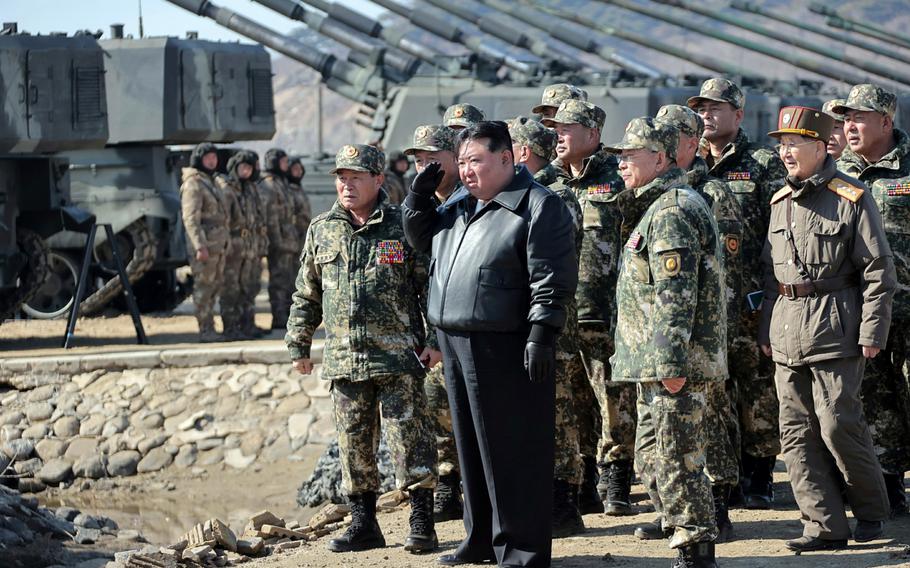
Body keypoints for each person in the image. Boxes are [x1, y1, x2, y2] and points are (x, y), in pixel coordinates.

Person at [403, 121, 577, 567]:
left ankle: (521, 550)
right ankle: (481, 536)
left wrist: (542, 335)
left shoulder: (539, 206)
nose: (465, 171)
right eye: (460, 163)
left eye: (475, 160)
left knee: (511, 449)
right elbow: (422, 240)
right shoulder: (461, 202)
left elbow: (552, 280)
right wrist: (418, 197)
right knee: (473, 449)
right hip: (455, 339)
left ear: (507, 157)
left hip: (505, 344)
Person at [286, 144, 439, 554]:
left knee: (411, 441)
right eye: (341, 177)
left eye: (356, 178)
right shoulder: (322, 228)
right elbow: (307, 293)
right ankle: (364, 524)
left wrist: (435, 341)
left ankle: (422, 520)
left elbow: (429, 287)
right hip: (344, 359)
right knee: (354, 446)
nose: (346, 185)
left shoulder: (401, 225)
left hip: (398, 358)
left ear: (378, 181)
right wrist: (299, 341)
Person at [758, 105, 895, 551]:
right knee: (795, 432)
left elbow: (878, 270)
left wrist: (873, 332)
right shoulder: (779, 202)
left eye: (794, 143)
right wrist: (766, 331)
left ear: (819, 146)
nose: (786, 153)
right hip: (786, 331)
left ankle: (872, 510)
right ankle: (823, 525)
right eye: (781, 145)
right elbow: (769, 276)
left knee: (838, 424)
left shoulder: (851, 197)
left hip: (836, 327)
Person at [607, 117, 724, 568]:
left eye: (629, 155)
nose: (620, 164)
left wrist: (671, 362)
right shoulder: (654, 207)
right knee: (653, 456)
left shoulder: (672, 210)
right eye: (618, 156)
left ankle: (696, 549)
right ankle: (683, 532)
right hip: (651, 363)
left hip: (672, 365)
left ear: (659, 158)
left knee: (678, 457)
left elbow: (676, 296)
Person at [688, 78, 786, 509]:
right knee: (713, 390)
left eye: (716, 108)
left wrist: (771, 295)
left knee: (757, 387)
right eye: (702, 108)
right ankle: (721, 477)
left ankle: (760, 474)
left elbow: (779, 235)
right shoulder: (689, 165)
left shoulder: (763, 163)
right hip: (704, 305)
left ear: (738, 114)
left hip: (748, 300)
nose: (707, 115)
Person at [654, 104, 744, 542]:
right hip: (664, 332)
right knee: (665, 429)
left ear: (690, 144)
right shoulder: (658, 193)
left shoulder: (711, 193)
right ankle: (673, 506)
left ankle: (717, 506)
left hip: (703, 331)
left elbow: (725, 269)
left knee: (709, 421)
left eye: (671, 139)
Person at [543, 100, 629, 517]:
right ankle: (580, 482)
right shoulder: (547, 184)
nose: (557, 134)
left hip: (607, 313)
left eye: (566, 127)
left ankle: (617, 479)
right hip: (562, 314)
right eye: (554, 128)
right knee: (569, 403)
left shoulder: (618, 179)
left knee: (612, 400)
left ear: (593, 134)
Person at [833, 84, 910, 516]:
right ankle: (889, 486)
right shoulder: (836, 173)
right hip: (861, 313)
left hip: (909, 309)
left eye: (860, 117)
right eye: (847, 118)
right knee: (874, 401)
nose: (850, 126)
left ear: (886, 121)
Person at [509, 115, 588, 537]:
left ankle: (564, 504)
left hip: (554, 326)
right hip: (529, 323)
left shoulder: (552, 197)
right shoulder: (519, 195)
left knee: (558, 414)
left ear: (522, 153)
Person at [402, 123, 463, 522]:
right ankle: (447, 487)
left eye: (432, 160)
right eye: (418, 161)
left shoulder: (467, 201)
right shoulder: (424, 205)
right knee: (437, 412)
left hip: (461, 331)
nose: (424, 168)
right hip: (432, 334)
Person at [180, 142, 229, 343]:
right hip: (205, 246)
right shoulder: (194, 183)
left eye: (214, 157)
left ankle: (211, 328)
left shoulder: (212, 181)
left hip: (218, 245)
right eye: (208, 157)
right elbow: (190, 218)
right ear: (199, 159)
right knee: (204, 288)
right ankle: (205, 329)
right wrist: (200, 246)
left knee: (214, 288)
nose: (212, 160)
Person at [216, 150, 260, 340]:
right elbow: (223, 220)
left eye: (249, 168)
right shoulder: (228, 190)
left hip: (249, 244)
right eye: (243, 167)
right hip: (233, 245)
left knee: (248, 286)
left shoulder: (250, 188)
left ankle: (247, 324)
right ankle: (231, 327)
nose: (246, 171)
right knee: (230, 288)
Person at [258, 148, 298, 329]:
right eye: (283, 162)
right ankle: (279, 316)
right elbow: (272, 218)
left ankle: (287, 315)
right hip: (279, 241)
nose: (286, 165)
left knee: (290, 280)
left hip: (289, 240)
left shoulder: (282, 182)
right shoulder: (269, 184)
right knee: (279, 281)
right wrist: (277, 241)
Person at [286, 155, 313, 257]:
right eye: (295, 169)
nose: (299, 171)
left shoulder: (298, 188)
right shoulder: (287, 189)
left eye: (300, 168)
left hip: (303, 233)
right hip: (293, 235)